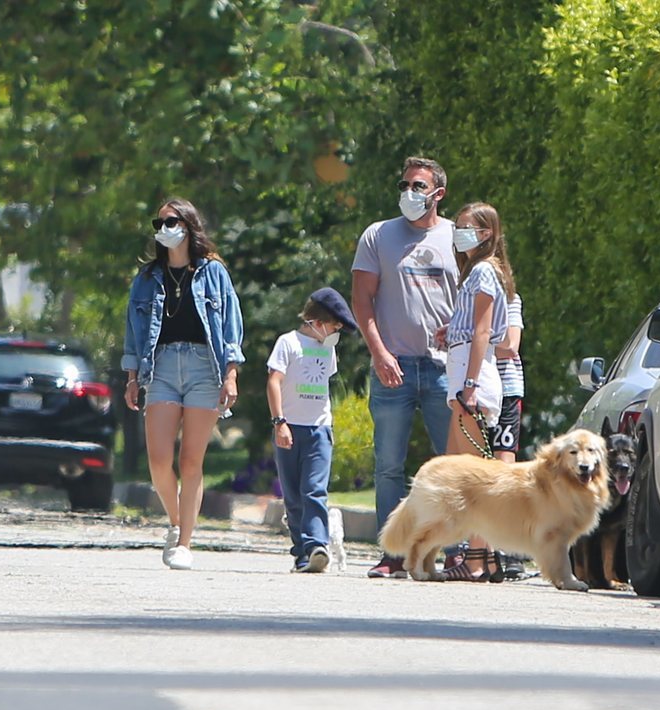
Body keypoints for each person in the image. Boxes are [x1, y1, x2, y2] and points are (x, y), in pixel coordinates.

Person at [122, 197, 245, 571]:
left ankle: (185, 542)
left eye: (171, 222)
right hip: (160, 367)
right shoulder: (146, 279)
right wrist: (130, 377)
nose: (164, 230)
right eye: (158, 224)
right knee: (159, 462)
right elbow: (133, 330)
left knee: (191, 461)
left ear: (189, 226)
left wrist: (231, 373)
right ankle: (176, 523)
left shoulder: (213, 273)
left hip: (203, 367)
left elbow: (230, 326)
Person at [351, 156, 459, 579]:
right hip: (393, 365)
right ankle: (391, 554)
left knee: (451, 464)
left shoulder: (457, 236)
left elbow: (478, 295)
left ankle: (454, 553)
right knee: (389, 465)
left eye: (418, 186)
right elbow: (362, 300)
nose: (409, 193)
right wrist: (379, 354)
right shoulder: (378, 235)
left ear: (438, 194)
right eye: (405, 185)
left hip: (443, 369)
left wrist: (459, 328)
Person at [439, 202, 512, 582]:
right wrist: (450, 331)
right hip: (464, 377)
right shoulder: (476, 273)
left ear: (486, 234)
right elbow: (469, 327)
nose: (458, 232)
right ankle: (483, 555)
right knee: (460, 471)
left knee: (473, 476)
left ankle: (480, 556)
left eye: (466, 227)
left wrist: (470, 385)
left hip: (474, 381)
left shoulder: (483, 271)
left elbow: (483, 331)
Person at [266, 287, 358, 573]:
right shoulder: (288, 343)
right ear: (317, 323)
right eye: (334, 326)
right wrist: (279, 422)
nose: (335, 333)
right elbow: (274, 382)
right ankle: (302, 552)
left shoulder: (327, 348)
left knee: (314, 490)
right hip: (289, 428)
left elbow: (323, 383)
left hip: (319, 429)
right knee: (293, 497)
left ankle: (317, 545)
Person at [491, 290, 527, 580]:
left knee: (505, 471)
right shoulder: (461, 293)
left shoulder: (509, 298)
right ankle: (478, 549)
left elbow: (510, 345)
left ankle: (511, 550)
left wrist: (473, 340)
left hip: (506, 389)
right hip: (472, 391)